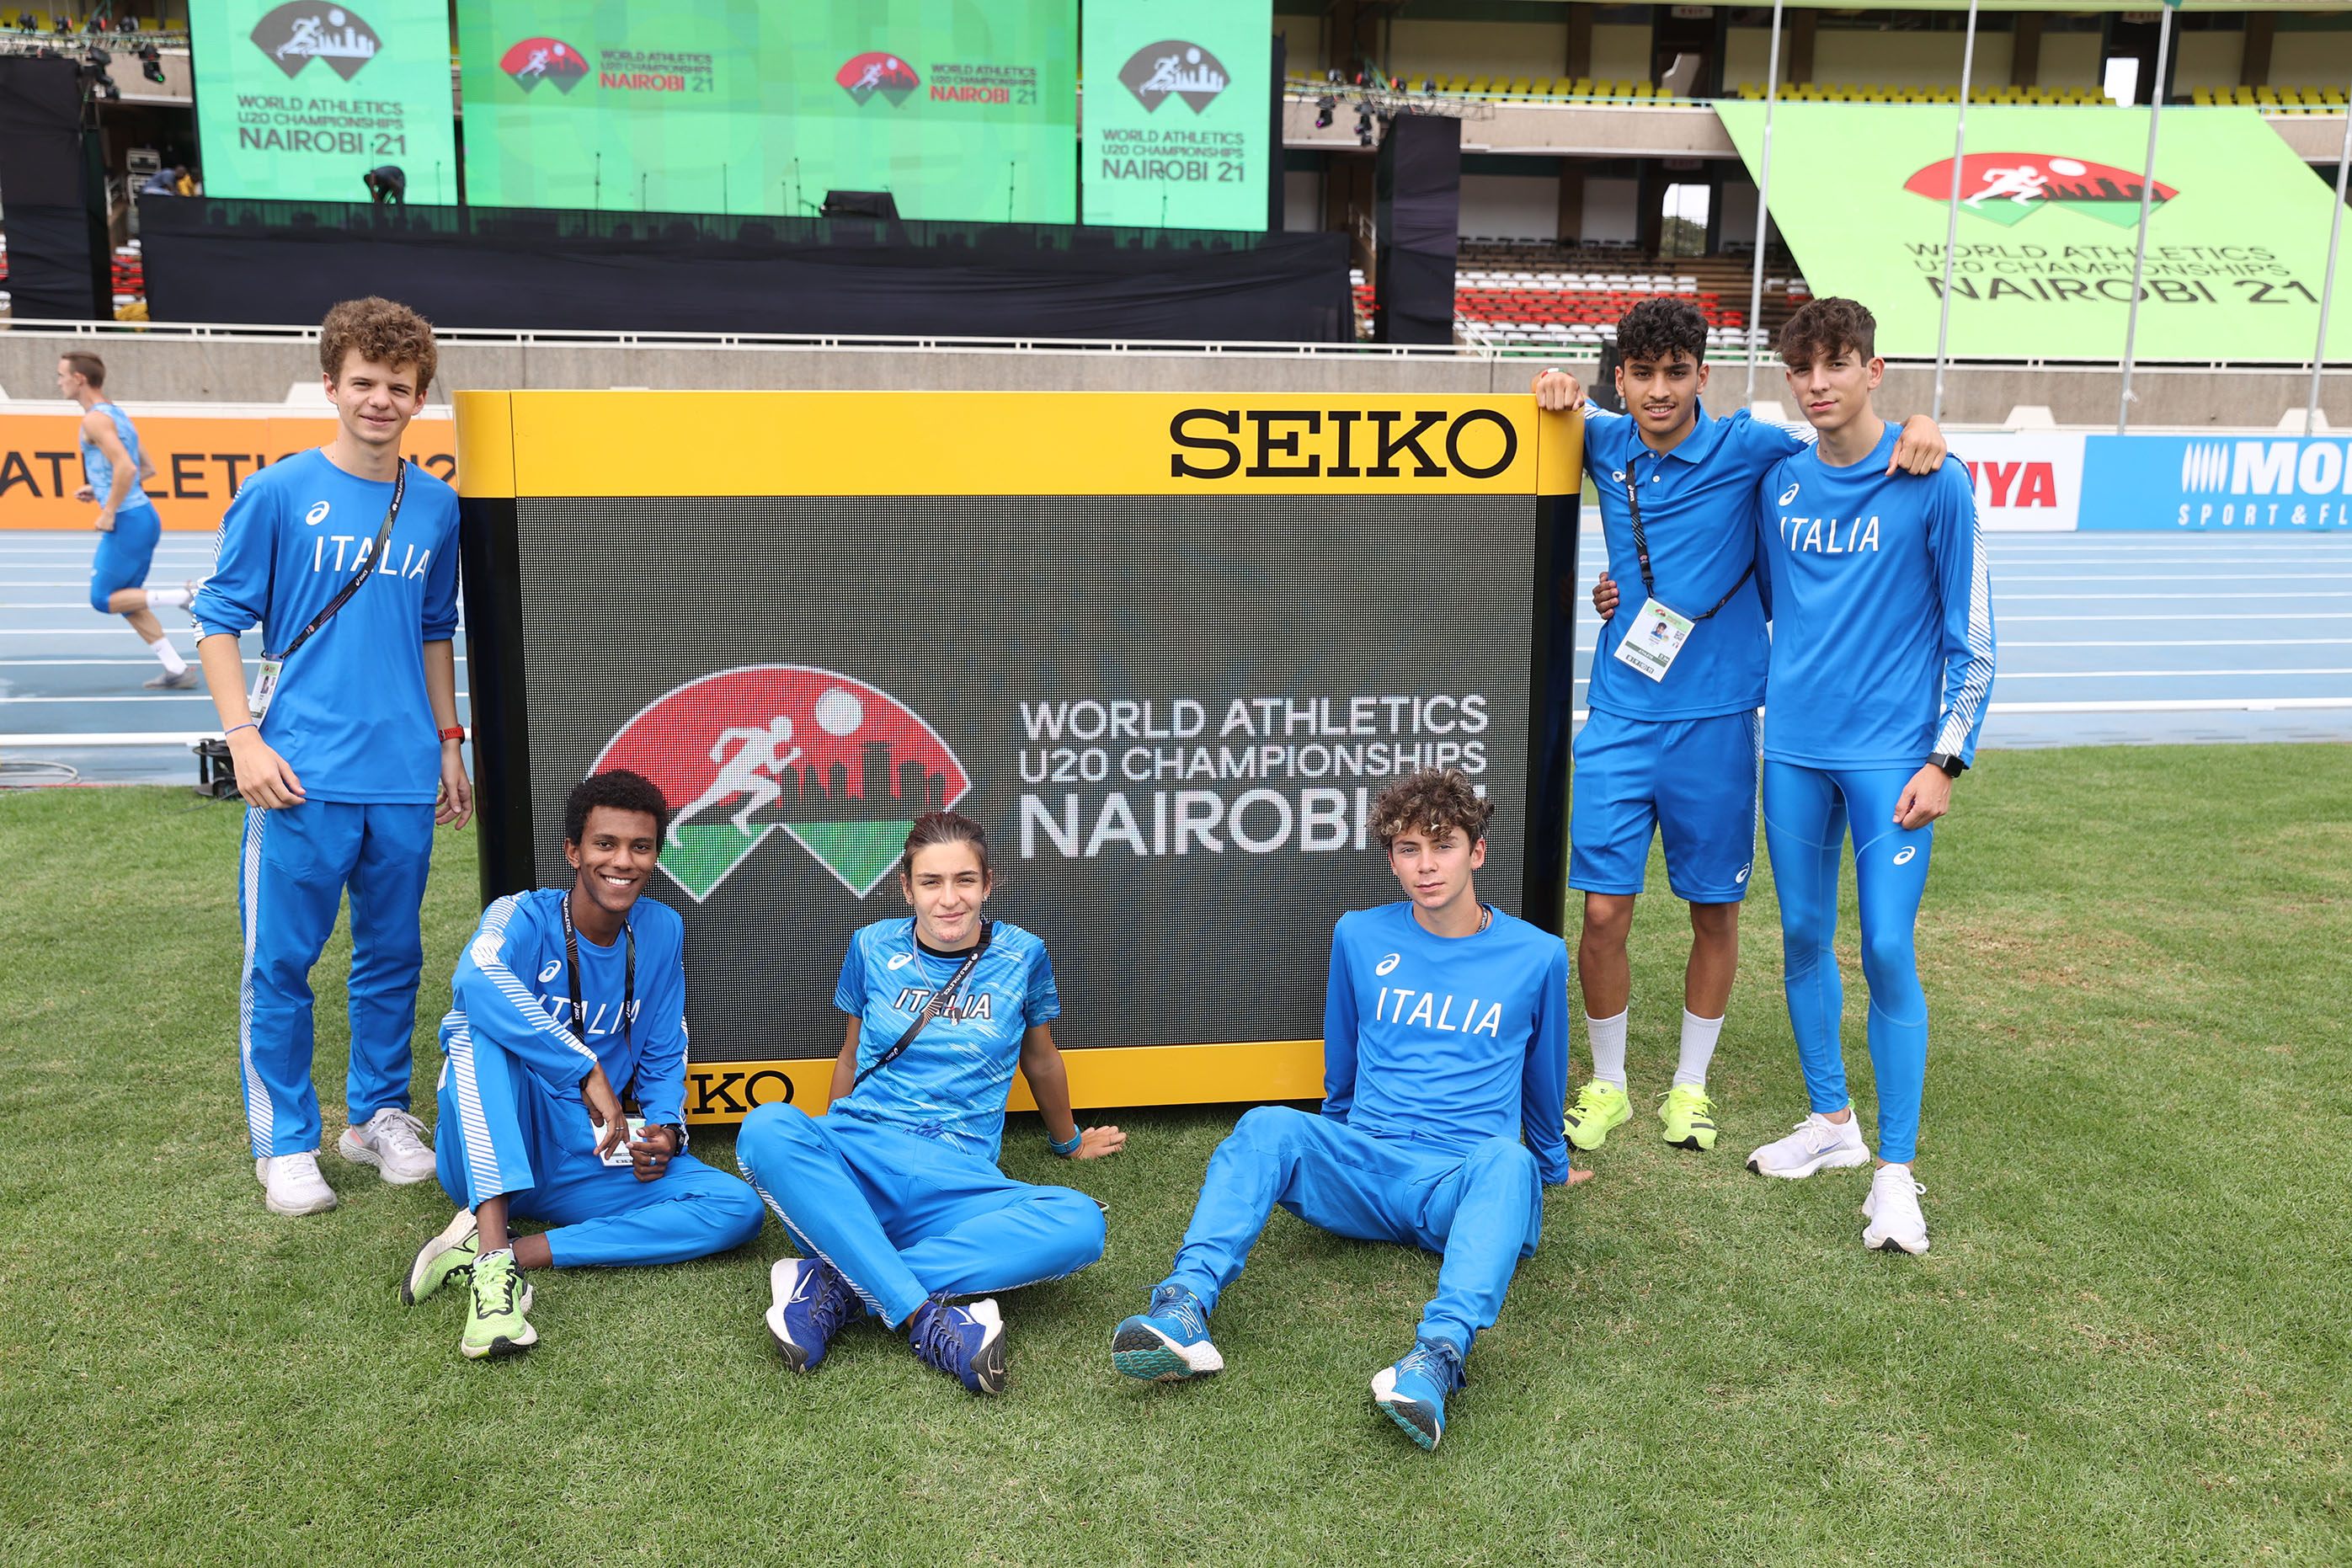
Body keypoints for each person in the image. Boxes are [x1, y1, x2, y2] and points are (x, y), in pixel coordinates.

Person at [1530, 301, 1945, 1160]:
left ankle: (1690, 1085)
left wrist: (1923, 423)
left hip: (1719, 723)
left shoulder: (1752, 446)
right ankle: (1607, 1082)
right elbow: (1549, 408)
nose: (1658, 391)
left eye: (1675, 373)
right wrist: (1553, 384)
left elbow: (1847, 439)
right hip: (1618, 715)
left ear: (1702, 376)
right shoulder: (1598, 440)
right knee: (1602, 912)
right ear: (1619, 378)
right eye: (1641, 374)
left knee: (1714, 911)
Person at [1109, 769, 1581, 1452]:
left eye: (1443, 846)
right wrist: (1334, 1150)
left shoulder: (1537, 955)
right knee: (1267, 1123)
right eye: (1408, 849)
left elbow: (1543, 1076)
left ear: (1476, 852)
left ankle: (1435, 1361)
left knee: (1509, 1163)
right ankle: (1182, 1308)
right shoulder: (1359, 935)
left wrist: (1552, 1166)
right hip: (1367, 1167)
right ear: (1391, 859)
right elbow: (1344, 1057)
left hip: (1460, 1187)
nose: (1425, 866)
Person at [192, 296, 470, 1217]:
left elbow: (435, 630)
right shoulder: (277, 492)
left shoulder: (436, 505)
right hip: (298, 772)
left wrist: (449, 742)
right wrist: (243, 739)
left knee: (393, 956)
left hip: (402, 772)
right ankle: (285, 1142)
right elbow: (218, 619)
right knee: (281, 965)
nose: (381, 399)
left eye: (399, 386)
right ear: (330, 386)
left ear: (420, 397)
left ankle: (376, 1116)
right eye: (364, 382)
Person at [1739, 297, 1994, 1254]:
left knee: (1886, 946)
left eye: (1837, 364)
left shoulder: (1936, 479)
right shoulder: (1779, 480)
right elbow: (1765, 596)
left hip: (1893, 757)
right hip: (1793, 749)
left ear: (1873, 370)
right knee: (1803, 933)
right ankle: (1831, 1123)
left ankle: (1894, 1172)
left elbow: (1974, 641)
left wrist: (1945, 759)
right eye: (1802, 369)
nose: (1818, 384)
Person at [733, 811, 1123, 1396]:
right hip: (865, 1150)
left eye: (965, 880)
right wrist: (832, 1149)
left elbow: (1040, 1058)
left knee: (1080, 1224)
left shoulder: (1023, 954)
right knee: (767, 1126)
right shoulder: (871, 945)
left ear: (987, 884)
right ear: (906, 887)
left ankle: (837, 1286)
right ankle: (923, 1317)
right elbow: (850, 1055)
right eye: (931, 882)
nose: (949, 899)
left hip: (957, 1174)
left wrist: (1068, 1142)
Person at [400, 770, 766, 1358]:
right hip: (495, 1146)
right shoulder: (521, 915)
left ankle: (507, 1253)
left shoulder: (660, 929)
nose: (623, 861)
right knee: (475, 1027)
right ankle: (493, 1265)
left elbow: (664, 1046)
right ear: (573, 851)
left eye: (640, 846)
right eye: (605, 844)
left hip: (588, 1149)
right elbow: (475, 976)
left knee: (736, 1209)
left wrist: (666, 1127)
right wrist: (583, 1066)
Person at [56, 352, 195, 690]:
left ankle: (184, 596)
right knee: (127, 599)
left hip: (128, 520)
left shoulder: (94, 420)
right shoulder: (116, 414)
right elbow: (147, 468)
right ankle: (176, 668)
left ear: (79, 379)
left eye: (61, 375)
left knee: (103, 599)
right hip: (141, 516)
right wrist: (100, 488)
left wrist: (108, 510)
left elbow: (128, 467)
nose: (58, 382)